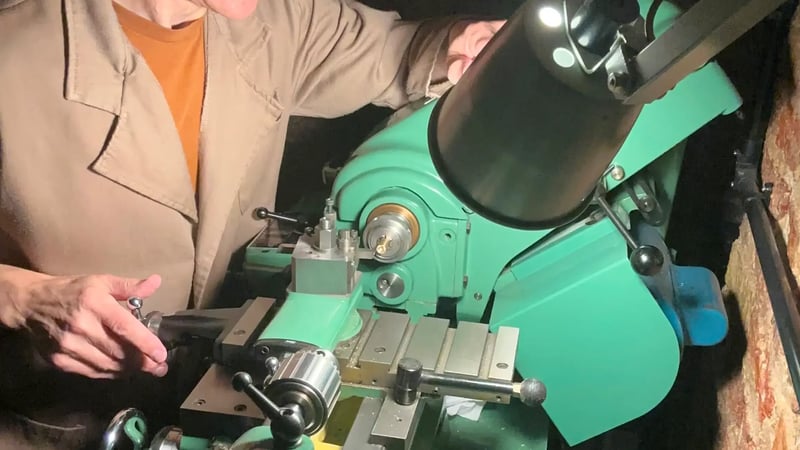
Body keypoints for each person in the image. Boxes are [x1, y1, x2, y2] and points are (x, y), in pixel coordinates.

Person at [0, 0, 503, 448]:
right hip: (58, 420)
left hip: (221, 390)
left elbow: (403, 50)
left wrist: (472, 44)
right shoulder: (15, 51)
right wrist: (21, 297)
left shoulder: (277, 19)